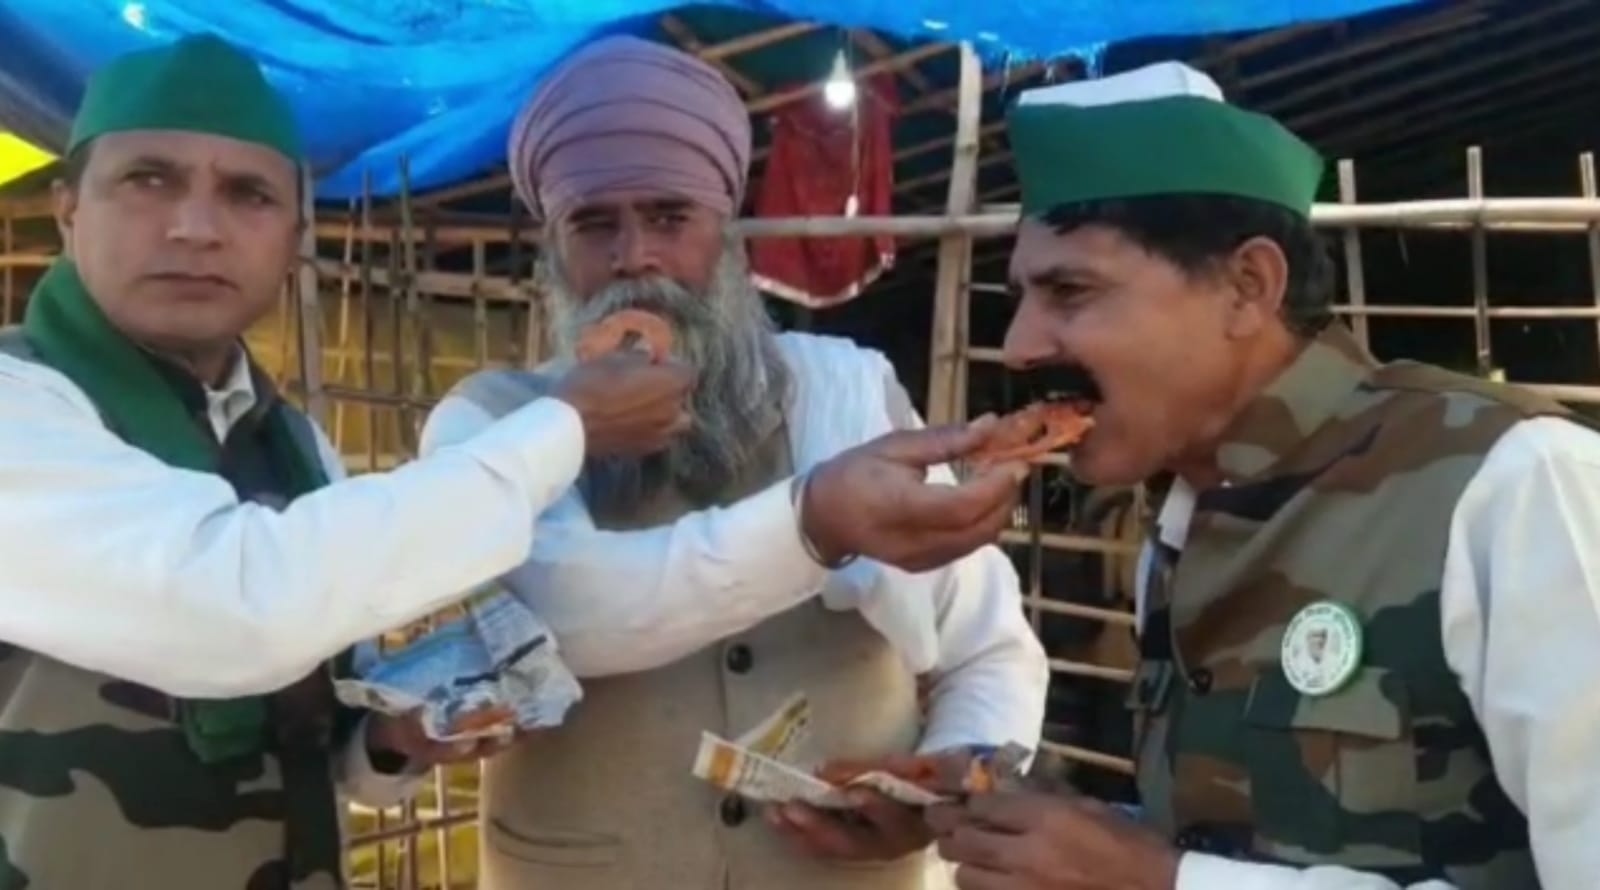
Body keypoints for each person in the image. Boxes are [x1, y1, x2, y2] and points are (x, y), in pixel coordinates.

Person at [0, 35, 693, 889]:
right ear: (68, 208)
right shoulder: (19, 406)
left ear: (294, 235)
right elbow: (234, 606)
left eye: (248, 194)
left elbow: (317, 749)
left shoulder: (291, 445)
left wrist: (395, 741)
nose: (195, 226)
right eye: (149, 180)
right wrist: (566, 427)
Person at [927, 60, 1600, 890]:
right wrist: (1037, 830)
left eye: (1070, 289)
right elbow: (1253, 843)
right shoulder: (1183, 523)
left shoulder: (1512, 484)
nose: (1019, 346)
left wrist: (1163, 883)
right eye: (1021, 297)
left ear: (1247, 288)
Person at [419, 35, 1050, 890]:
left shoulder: (846, 397)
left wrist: (940, 783)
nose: (634, 255)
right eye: (594, 223)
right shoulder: (489, 422)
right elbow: (571, 612)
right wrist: (814, 523)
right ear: (551, 252)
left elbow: (990, 649)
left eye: (670, 217)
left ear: (729, 238)